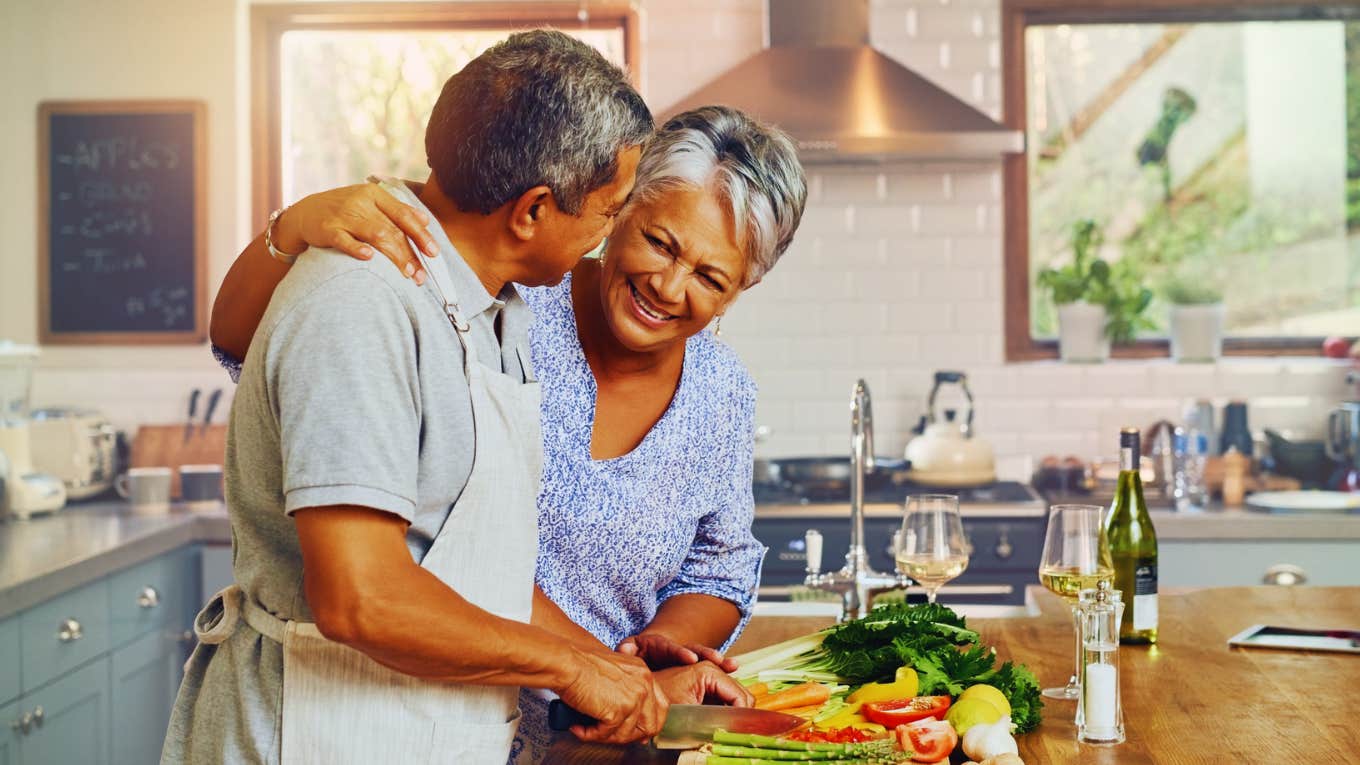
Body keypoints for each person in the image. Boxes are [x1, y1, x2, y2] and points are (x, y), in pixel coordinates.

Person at [164, 31, 750, 765]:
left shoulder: (489, 310)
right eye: (611, 212)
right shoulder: (360, 302)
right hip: (311, 732)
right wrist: (573, 668)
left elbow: (475, 571)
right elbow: (362, 596)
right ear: (534, 210)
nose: (611, 241)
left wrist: (633, 680)